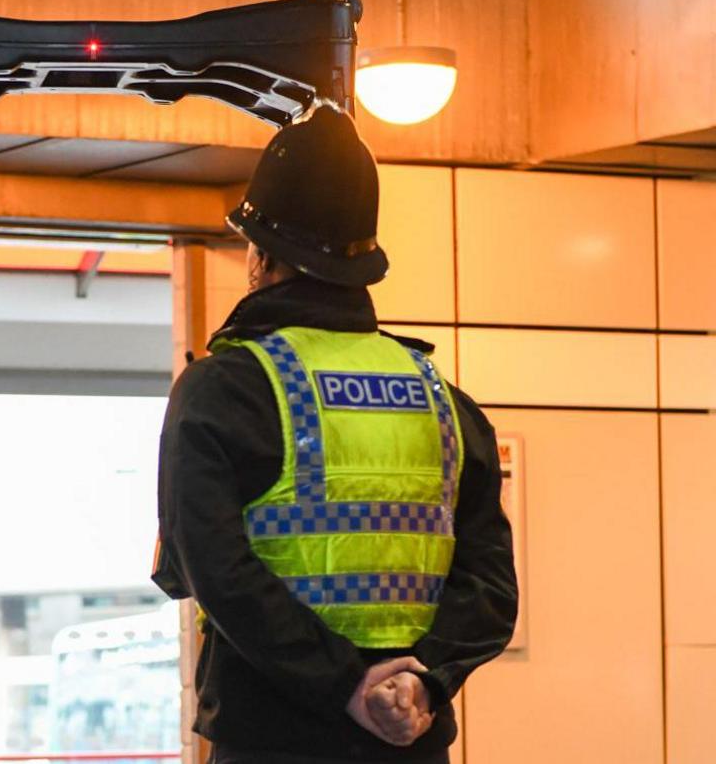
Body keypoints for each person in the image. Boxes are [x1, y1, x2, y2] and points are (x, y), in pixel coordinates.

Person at [152, 106, 517, 764]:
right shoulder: (445, 403)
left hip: (271, 740)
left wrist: (346, 686)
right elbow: (490, 589)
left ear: (260, 255)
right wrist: (422, 681)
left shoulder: (224, 389)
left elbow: (216, 573)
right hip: (411, 743)